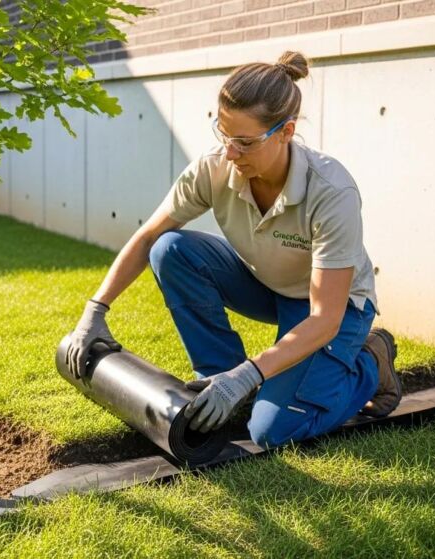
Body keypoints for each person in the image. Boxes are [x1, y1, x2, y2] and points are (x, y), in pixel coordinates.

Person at [66, 51, 402, 449]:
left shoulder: (330, 192)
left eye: (244, 142)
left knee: (274, 431)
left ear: (285, 132)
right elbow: (148, 237)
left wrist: (250, 374)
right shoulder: (214, 169)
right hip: (267, 284)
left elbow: (325, 319)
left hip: (331, 310)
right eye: (224, 136)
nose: (230, 153)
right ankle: (221, 379)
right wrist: (95, 310)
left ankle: (370, 363)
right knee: (170, 249)